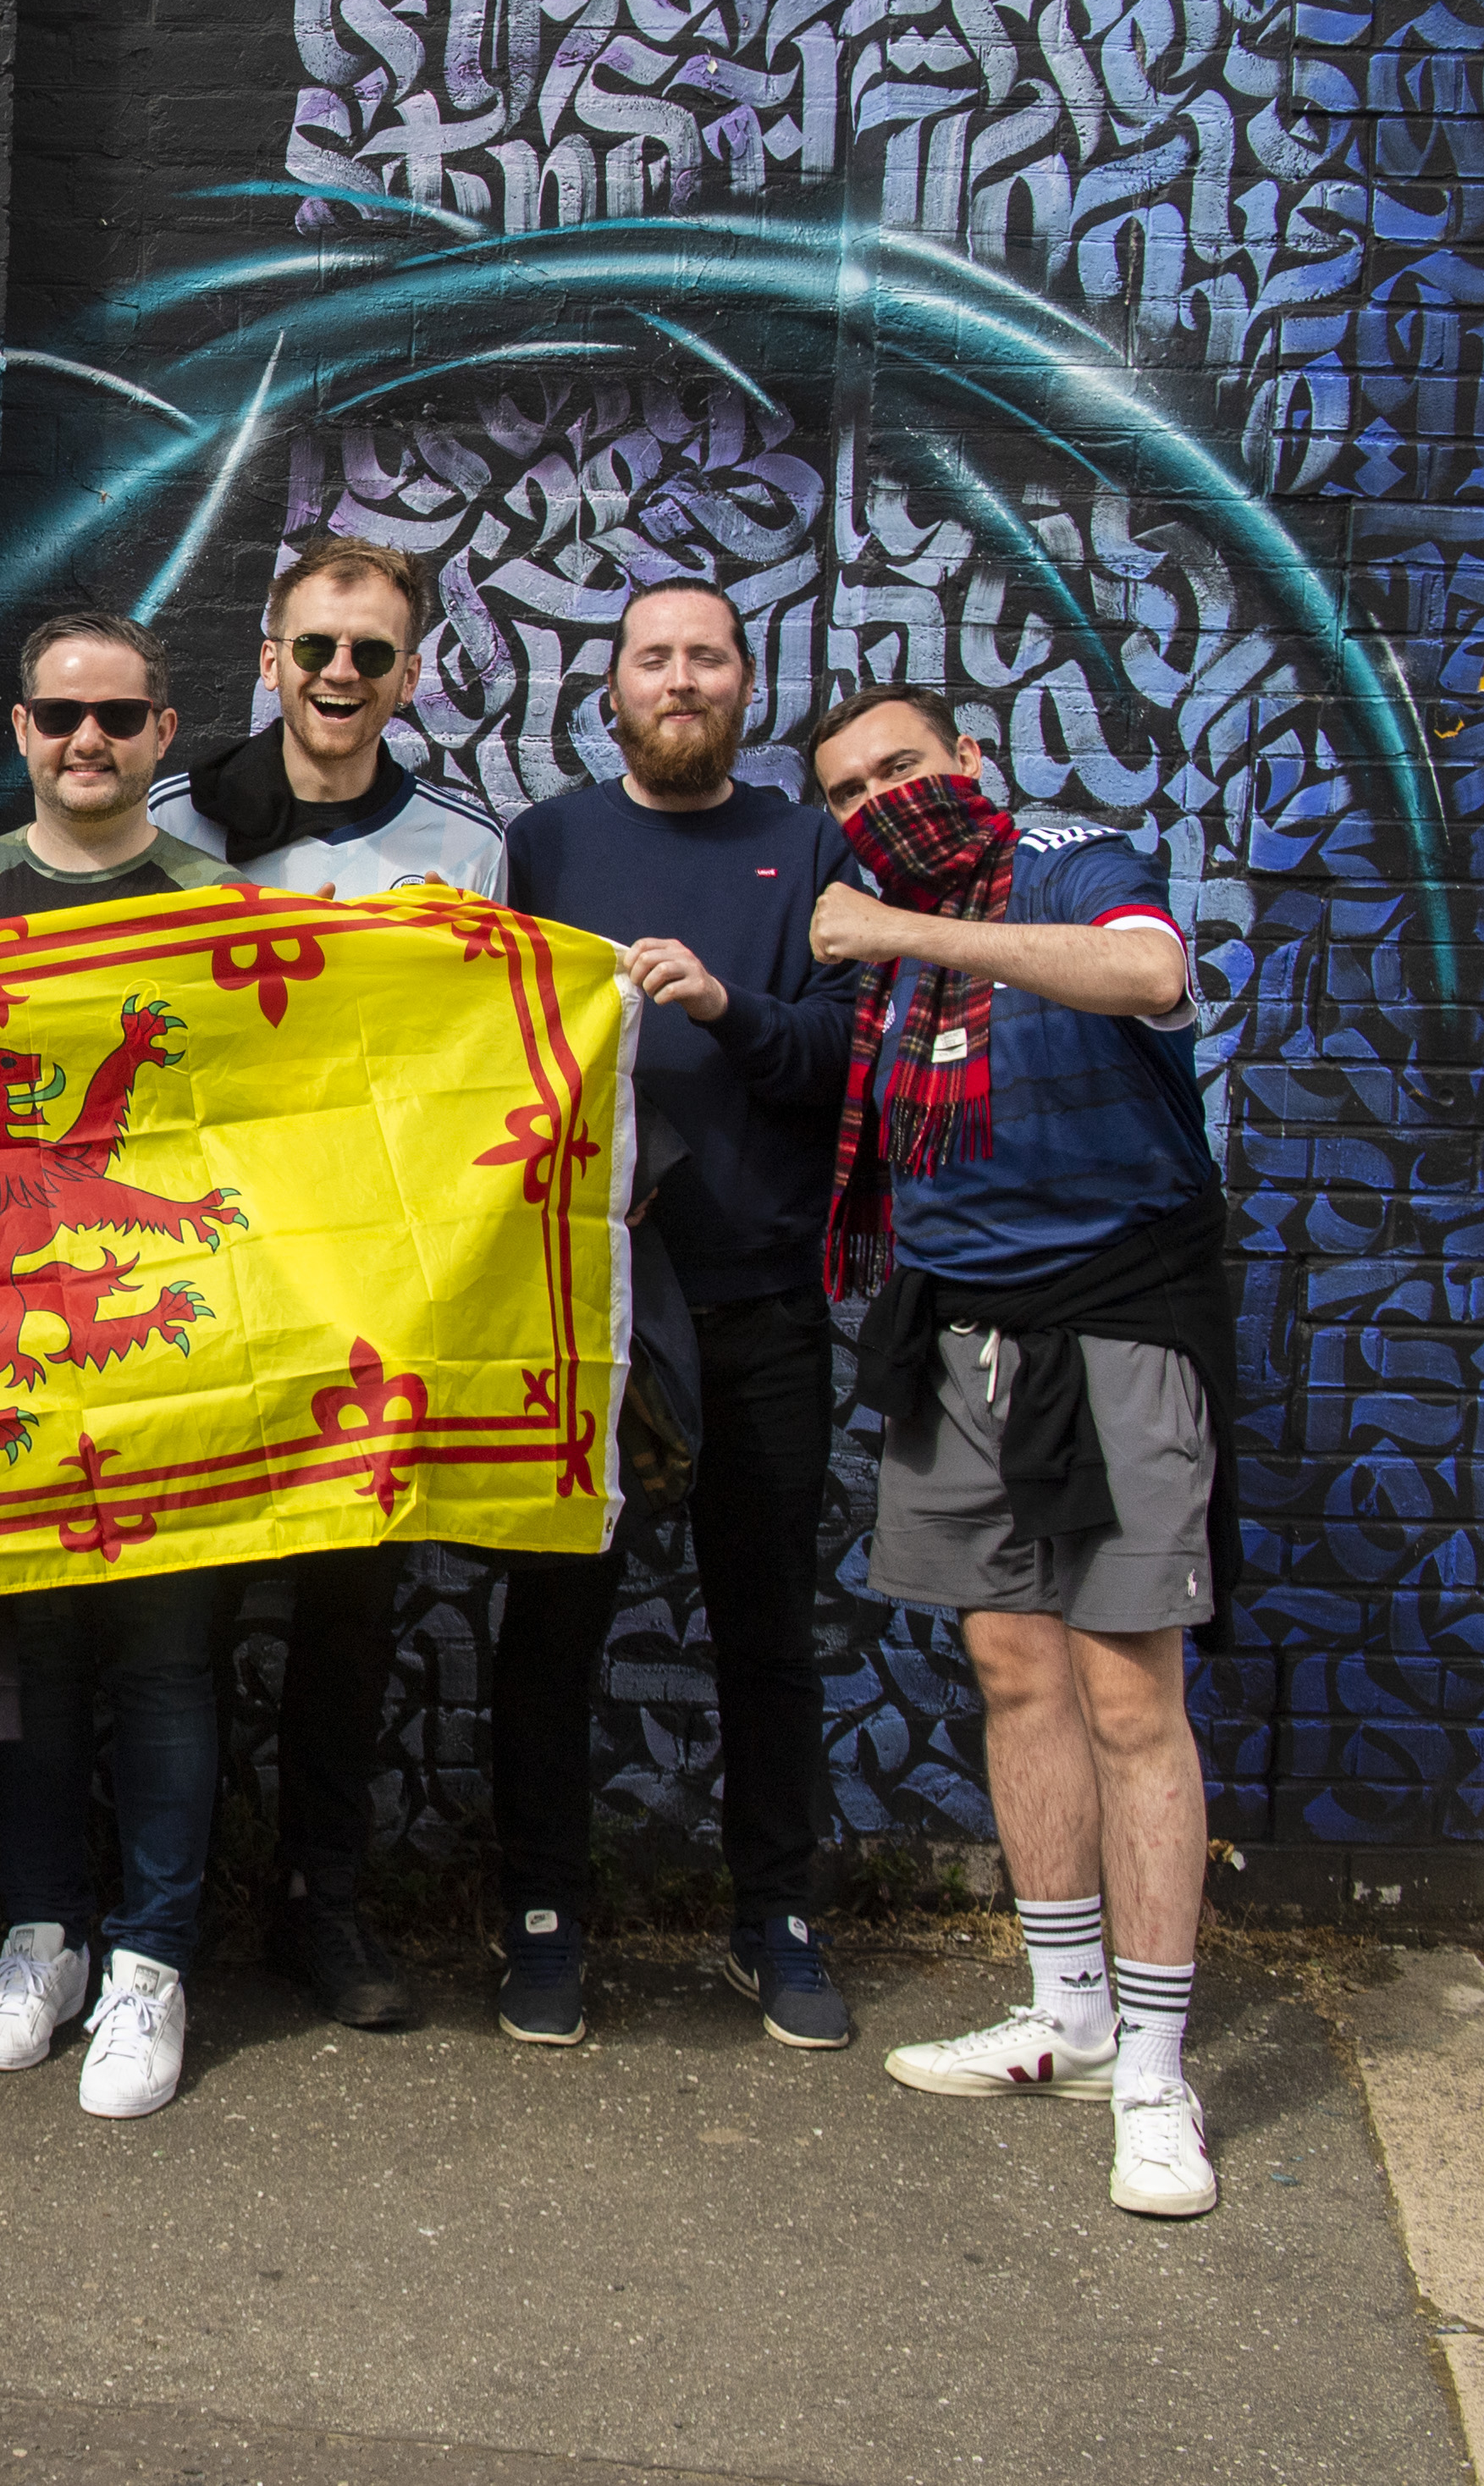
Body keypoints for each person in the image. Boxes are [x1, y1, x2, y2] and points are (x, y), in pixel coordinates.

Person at [807, 685, 1230, 2222]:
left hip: (1113, 1316)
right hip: (955, 1325)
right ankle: (1065, 2013)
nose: (879, 802)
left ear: (970, 765)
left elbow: (1144, 970)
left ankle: (1158, 2073)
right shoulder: (880, 940)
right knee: (1008, 1668)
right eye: (848, 790)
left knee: (1129, 1689)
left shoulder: (1059, 855)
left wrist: (906, 931)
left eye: (902, 768)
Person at [147, 533, 508, 2032]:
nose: (339, 675)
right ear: (266, 659)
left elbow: (495, 1059)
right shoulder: (172, 819)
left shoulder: (472, 848)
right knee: (182, 1618)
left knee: (352, 1614)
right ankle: (156, 1917)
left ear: (409, 674)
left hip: (374, 1289)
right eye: (315, 647)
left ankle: (322, 1902)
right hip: (198, 1276)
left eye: (370, 652)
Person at [491, 583, 856, 2050]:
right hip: (585, 1307)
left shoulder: (805, 846)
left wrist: (723, 1009)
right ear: (613, 687)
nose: (680, 679)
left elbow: (844, 1057)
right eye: (654, 657)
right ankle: (538, 1918)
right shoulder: (549, 841)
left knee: (765, 1625)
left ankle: (775, 1922)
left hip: (757, 1298)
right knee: (552, 1623)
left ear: (743, 683)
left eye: (706, 656)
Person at [0, 611, 240, 2119]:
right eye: (57, 717)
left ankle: (154, 1956)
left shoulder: (219, 903)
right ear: (24, 732)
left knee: (169, 1661)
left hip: (169, 1336)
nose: (84, 741)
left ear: (163, 733)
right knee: (34, 1660)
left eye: (116, 717)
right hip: (14, 1323)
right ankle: (39, 1932)